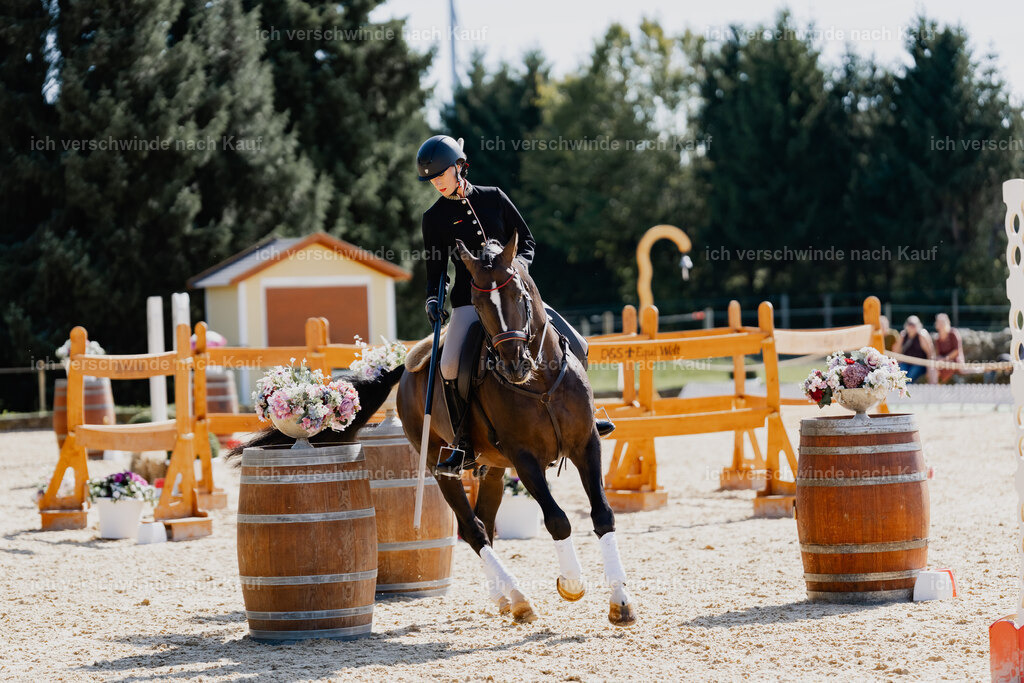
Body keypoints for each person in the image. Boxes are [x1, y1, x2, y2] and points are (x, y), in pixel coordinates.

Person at [415, 134, 614, 477]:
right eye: (431, 179)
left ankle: (588, 415)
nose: (436, 183)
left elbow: (528, 241)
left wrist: (517, 271)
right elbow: (437, 269)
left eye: (440, 175)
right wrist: (434, 298)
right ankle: (462, 442)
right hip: (470, 302)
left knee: (578, 344)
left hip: (514, 296)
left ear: (459, 167)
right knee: (448, 366)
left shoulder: (494, 198)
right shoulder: (434, 218)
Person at [892, 315, 933, 383]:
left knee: (909, 378)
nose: (911, 327)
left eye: (913, 325)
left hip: (919, 363)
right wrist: (901, 339)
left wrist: (930, 368)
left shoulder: (921, 336)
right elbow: (896, 352)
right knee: (900, 376)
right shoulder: (904, 336)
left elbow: (929, 352)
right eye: (909, 324)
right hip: (906, 363)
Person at [932, 313, 964, 384]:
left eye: (942, 322)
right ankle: (934, 385)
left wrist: (944, 359)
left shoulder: (953, 333)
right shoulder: (937, 338)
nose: (941, 324)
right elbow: (939, 353)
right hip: (944, 362)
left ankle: (939, 383)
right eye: (939, 322)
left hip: (955, 361)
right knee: (932, 367)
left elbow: (956, 351)